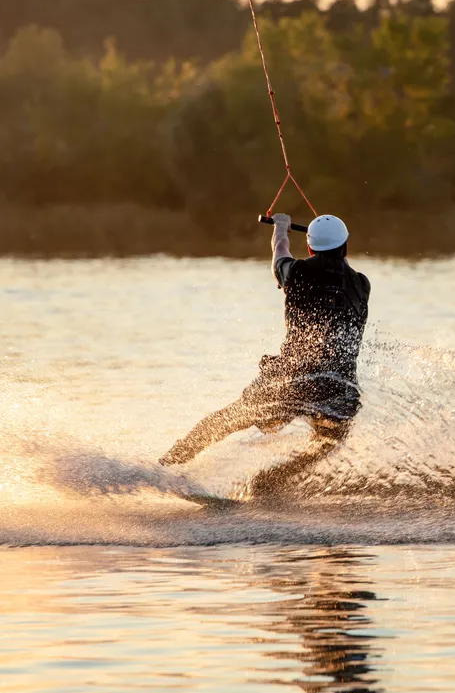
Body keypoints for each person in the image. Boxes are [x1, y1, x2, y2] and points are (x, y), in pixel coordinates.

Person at [158, 213, 371, 497]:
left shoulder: (296, 273)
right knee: (324, 445)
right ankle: (268, 484)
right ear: (345, 248)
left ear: (309, 248)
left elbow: (279, 253)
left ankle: (165, 466)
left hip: (296, 379)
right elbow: (338, 269)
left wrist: (281, 228)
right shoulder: (363, 284)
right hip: (340, 390)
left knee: (226, 420)